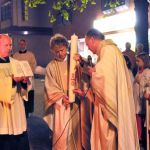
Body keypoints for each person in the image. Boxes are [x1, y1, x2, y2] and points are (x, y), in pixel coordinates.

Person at [84, 29, 139, 150]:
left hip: (107, 106)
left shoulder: (107, 50)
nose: (88, 48)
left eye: (88, 44)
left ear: (93, 39)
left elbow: (104, 80)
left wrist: (92, 74)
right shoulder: (110, 50)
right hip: (109, 101)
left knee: (107, 137)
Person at [43, 34, 82, 150]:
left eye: (62, 50)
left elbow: (84, 77)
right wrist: (61, 97)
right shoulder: (51, 66)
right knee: (61, 133)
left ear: (67, 47)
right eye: (56, 52)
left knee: (75, 130)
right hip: (60, 103)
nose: (60, 53)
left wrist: (81, 63)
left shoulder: (75, 61)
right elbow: (49, 86)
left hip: (75, 101)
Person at [0, 34, 30, 150]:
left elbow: (25, 86)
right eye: (6, 45)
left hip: (17, 108)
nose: (9, 48)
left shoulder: (16, 63)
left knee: (19, 140)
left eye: (10, 45)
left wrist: (24, 81)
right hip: (3, 110)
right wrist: (12, 80)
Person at [13, 39, 37, 118]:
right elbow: (13, 66)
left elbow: (33, 66)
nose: (21, 45)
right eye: (20, 44)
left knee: (28, 96)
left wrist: (28, 75)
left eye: (23, 44)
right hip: (19, 80)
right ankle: (19, 112)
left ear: (25, 44)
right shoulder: (15, 55)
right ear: (19, 45)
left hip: (28, 79)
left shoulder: (31, 55)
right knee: (19, 96)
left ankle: (28, 112)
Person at [133, 52, 150, 146]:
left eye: (138, 61)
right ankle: (139, 138)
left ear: (144, 61)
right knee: (137, 120)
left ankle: (143, 139)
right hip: (137, 100)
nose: (136, 63)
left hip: (143, 102)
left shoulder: (147, 71)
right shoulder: (138, 71)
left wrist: (140, 81)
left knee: (143, 120)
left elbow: (147, 84)